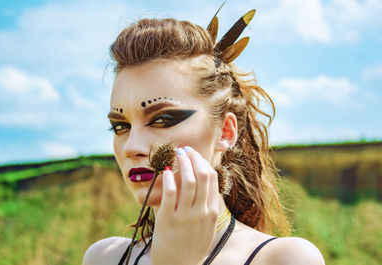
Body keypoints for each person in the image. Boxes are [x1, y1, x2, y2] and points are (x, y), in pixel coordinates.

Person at [82, 7, 325, 265]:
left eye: (162, 120)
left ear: (226, 132)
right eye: (121, 127)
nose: (132, 147)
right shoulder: (104, 258)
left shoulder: (283, 259)